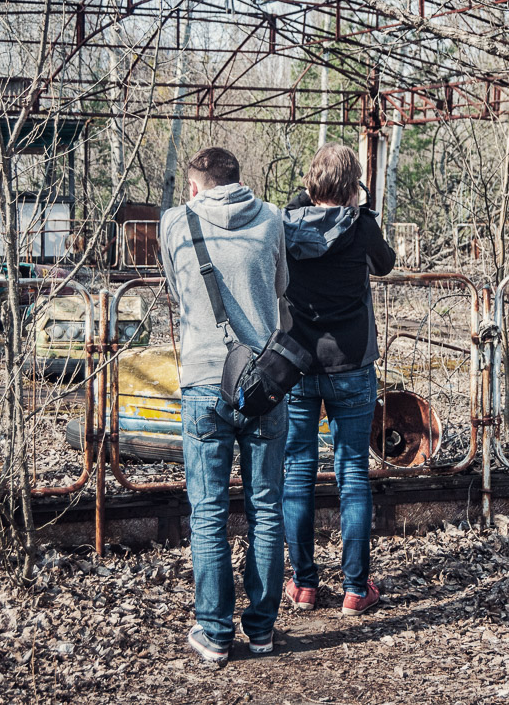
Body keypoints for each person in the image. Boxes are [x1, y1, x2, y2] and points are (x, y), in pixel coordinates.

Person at [159, 147, 289, 665]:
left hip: (204, 382)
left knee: (208, 514)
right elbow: (281, 290)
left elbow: (178, 293)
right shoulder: (273, 219)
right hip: (263, 383)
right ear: (239, 180)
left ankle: (214, 633)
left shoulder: (175, 223)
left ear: (196, 187)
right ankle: (261, 630)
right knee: (265, 510)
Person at [280, 143, 396, 616]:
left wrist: (303, 199)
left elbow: (294, 209)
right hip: (351, 364)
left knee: (297, 471)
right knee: (352, 475)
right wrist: (359, 208)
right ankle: (354, 588)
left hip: (298, 364)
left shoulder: (287, 226)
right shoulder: (362, 227)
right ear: (353, 186)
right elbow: (386, 263)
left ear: (310, 185)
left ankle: (304, 585)